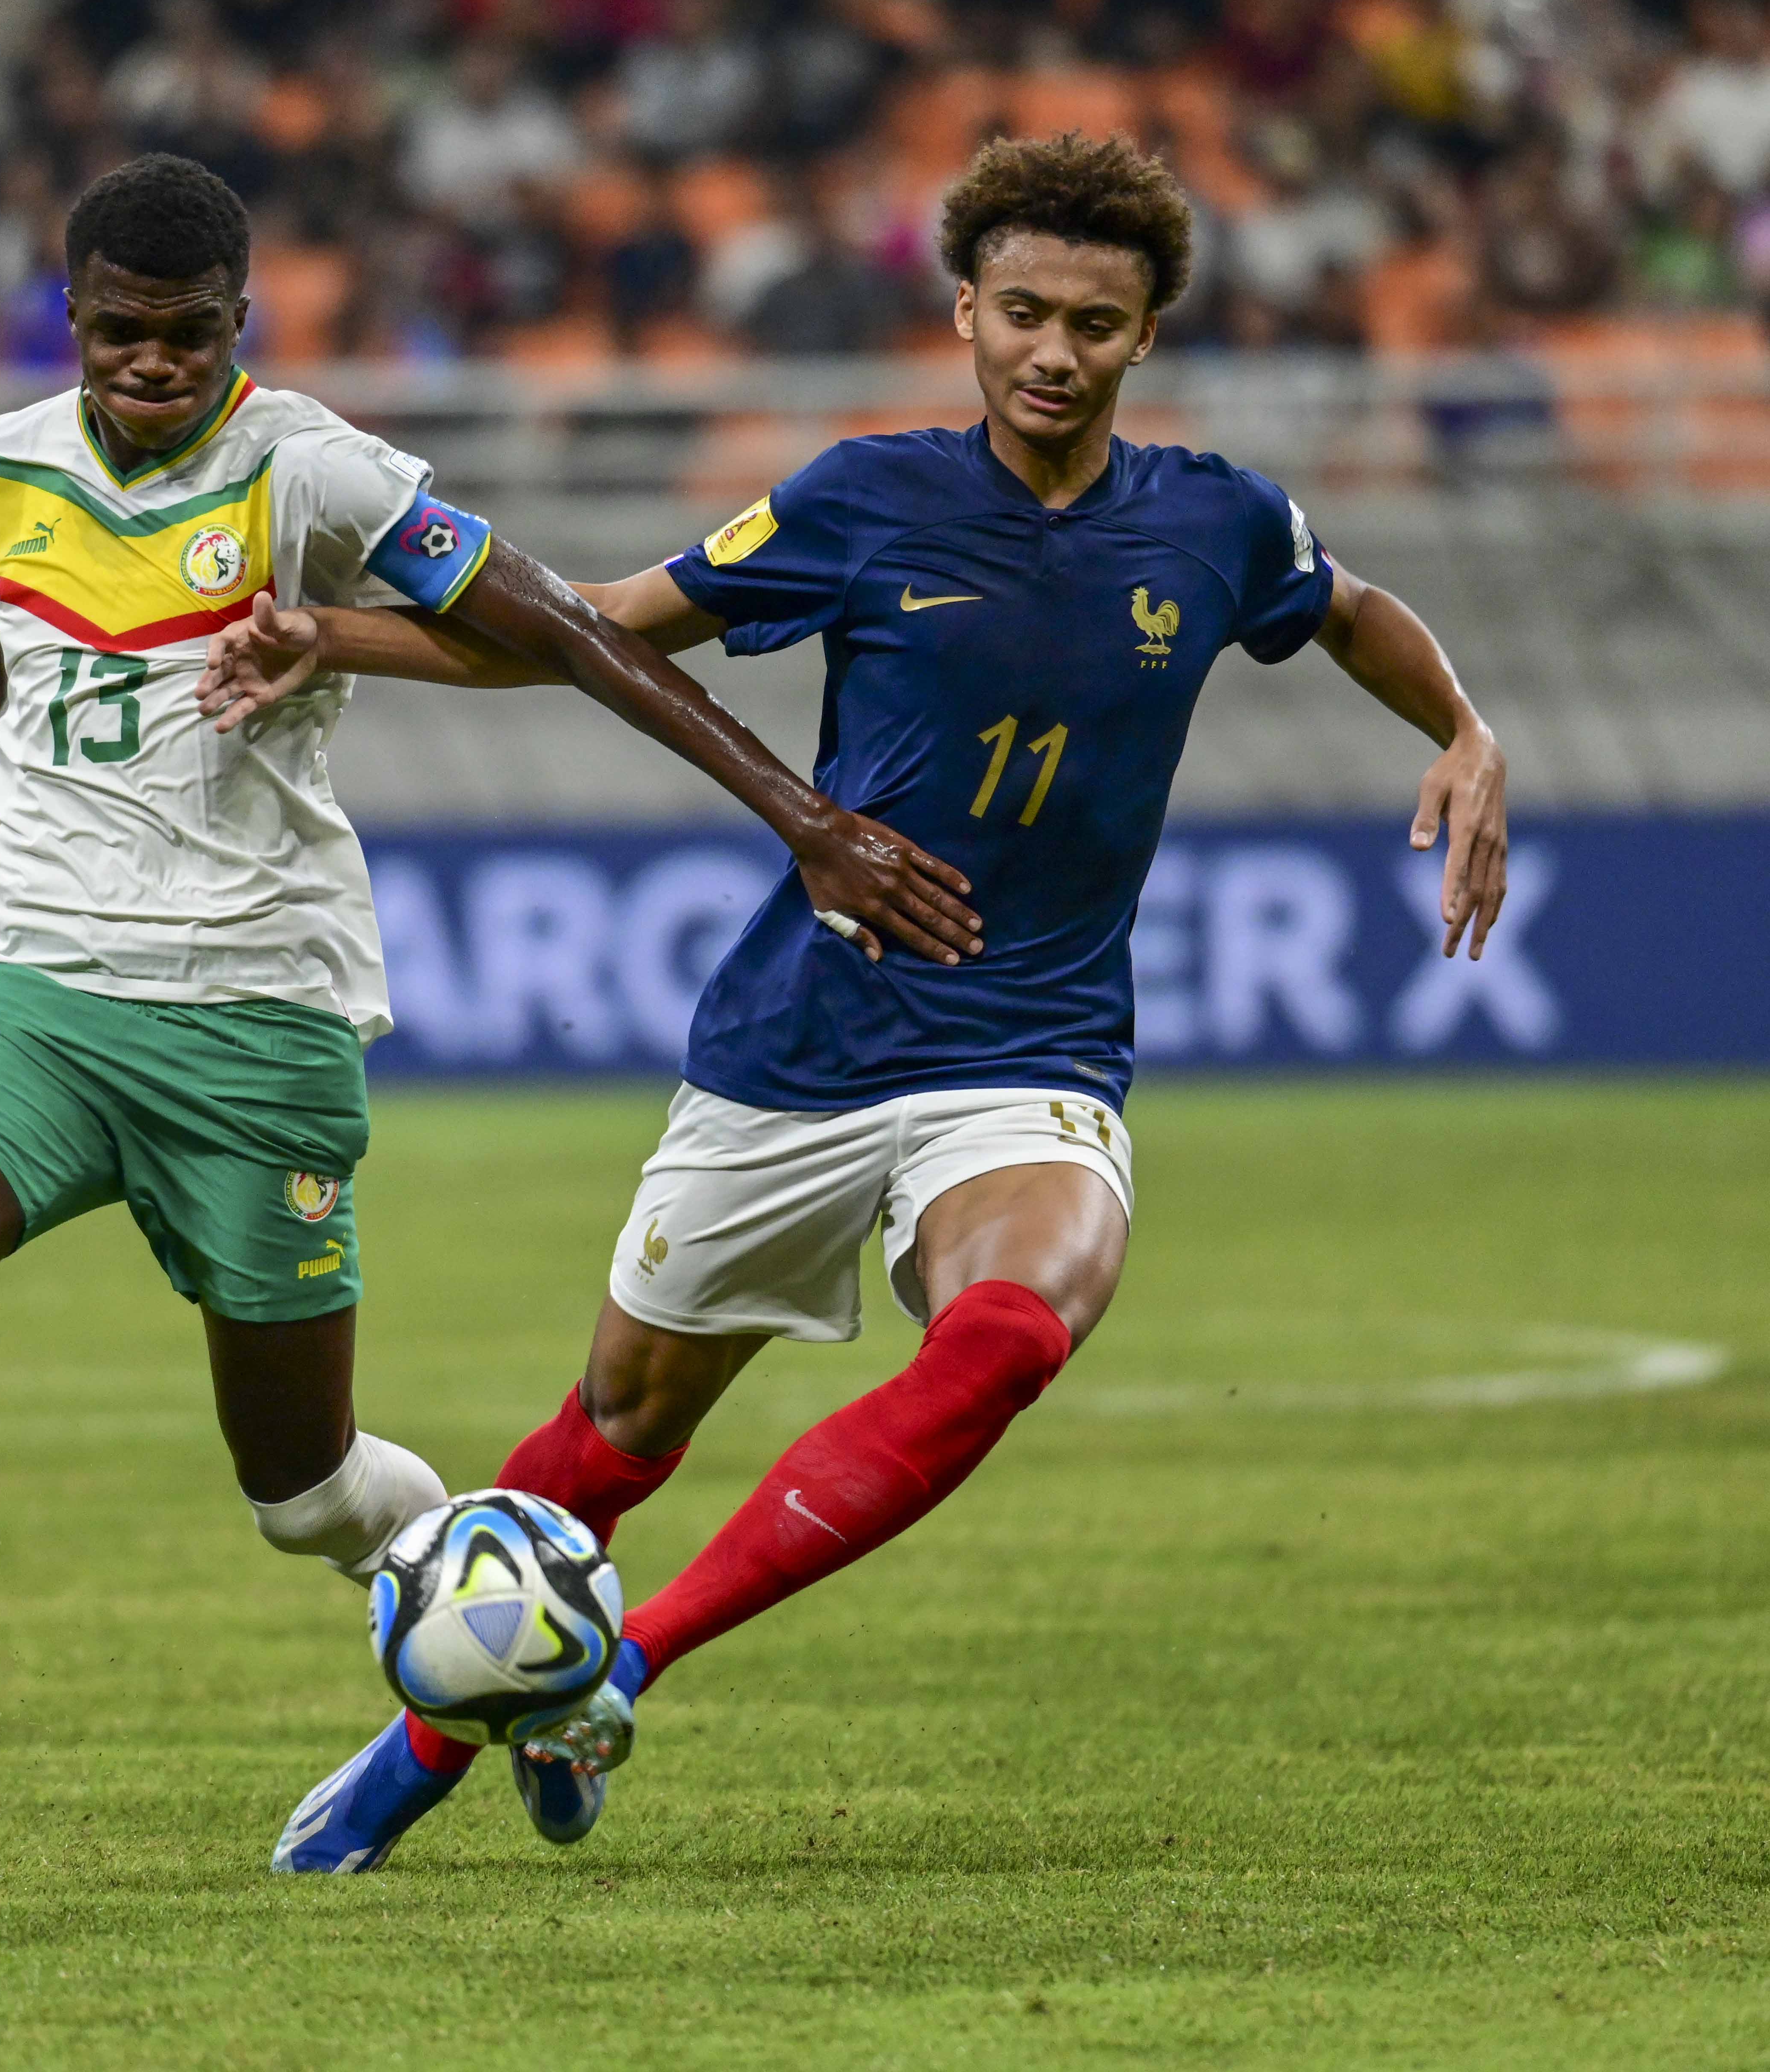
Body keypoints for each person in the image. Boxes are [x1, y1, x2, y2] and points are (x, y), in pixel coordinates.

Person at [0, 153, 976, 1837]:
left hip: (260, 1021)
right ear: (70, 317)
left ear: (235, 323)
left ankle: (535, 1657)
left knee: (304, 1490)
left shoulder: (314, 469)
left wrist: (803, 817)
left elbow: (555, 625)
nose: (148, 366)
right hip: (36, 985)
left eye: (183, 336)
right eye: (115, 334)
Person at [211, 133, 1511, 1872]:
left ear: (1144, 339)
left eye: (1096, 324)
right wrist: (339, 636)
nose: (1055, 350)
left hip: (1027, 1056)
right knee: (616, 1433)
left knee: (1006, 1338)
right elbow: (601, 627)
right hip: (797, 1052)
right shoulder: (856, 501)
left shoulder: (1213, 520)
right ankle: (424, 1746)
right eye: (1026, 311)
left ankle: (624, 1664)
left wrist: (1464, 728)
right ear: (964, 309)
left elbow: (1347, 612)